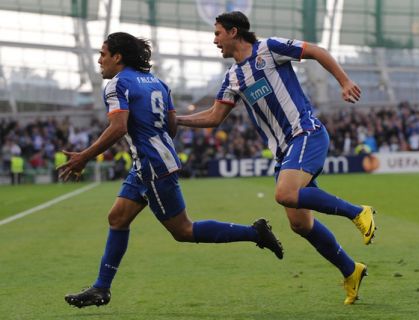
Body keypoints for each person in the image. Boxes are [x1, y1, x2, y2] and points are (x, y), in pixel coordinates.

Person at [58, 32, 283, 309]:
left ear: (118, 57)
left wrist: (84, 157)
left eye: (103, 54)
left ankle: (255, 233)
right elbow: (172, 126)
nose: (99, 60)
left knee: (183, 230)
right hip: (150, 163)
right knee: (117, 217)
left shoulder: (117, 85)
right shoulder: (158, 83)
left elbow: (118, 127)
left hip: (153, 166)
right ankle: (101, 288)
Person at [176, 11, 377, 305]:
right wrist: (177, 120)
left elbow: (316, 51)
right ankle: (351, 270)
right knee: (300, 224)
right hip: (284, 151)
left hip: (305, 132)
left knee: (285, 193)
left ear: (234, 32)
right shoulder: (233, 77)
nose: (215, 40)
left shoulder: (268, 49)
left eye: (218, 33)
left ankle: (358, 211)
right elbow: (214, 116)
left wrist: (344, 82)